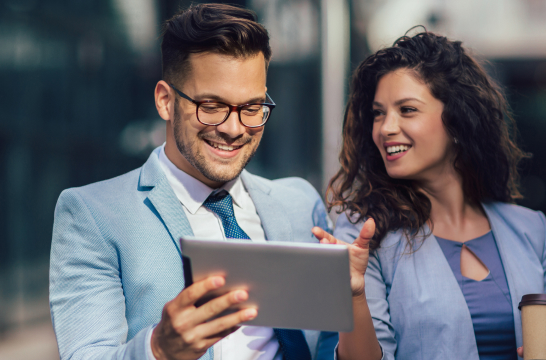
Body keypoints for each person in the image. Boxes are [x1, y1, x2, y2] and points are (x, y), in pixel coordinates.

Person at [49, 4, 336, 360]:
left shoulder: (300, 204)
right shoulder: (93, 215)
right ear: (165, 101)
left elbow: (329, 345)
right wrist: (157, 349)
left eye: (251, 108)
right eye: (212, 106)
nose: (234, 129)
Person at [312, 31, 546, 360]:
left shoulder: (530, 229)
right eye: (378, 113)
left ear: (456, 120)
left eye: (407, 110)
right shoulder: (365, 235)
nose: (385, 127)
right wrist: (353, 295)